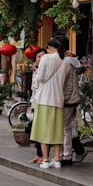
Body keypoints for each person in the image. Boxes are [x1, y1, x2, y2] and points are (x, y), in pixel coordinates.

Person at [29, 38, 69, 169]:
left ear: (50, 47)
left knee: (43, 130)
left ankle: (45, 159)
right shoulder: (65, 62)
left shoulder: (46, 58)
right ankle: (57, 159)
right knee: (57, 131)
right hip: (58, 99)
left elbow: (39, 78)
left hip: (44, 98)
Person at [56, 36, 87, 165]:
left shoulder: (66, 62)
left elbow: (61, 82)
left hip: (66, 98)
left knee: (64, 127)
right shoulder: (72, 60)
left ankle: (65, 155)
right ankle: (68, 153)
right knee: (67, 127)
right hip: (72, 97)